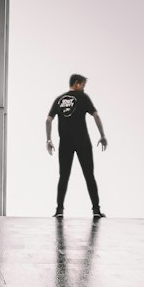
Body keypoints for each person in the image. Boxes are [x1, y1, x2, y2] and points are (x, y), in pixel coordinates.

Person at [46, 73, 108, 218]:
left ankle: (59, 210)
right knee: (89, 175)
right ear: (76, 83)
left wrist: (48, 139)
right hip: (82, 141)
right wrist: (102, 135)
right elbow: (96, 116)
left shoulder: (59, 100)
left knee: (63, 176)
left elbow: (48, 120)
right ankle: (96, 210)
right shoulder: (83, 97)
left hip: (65, 142)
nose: (84, 88)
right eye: (83, 85)